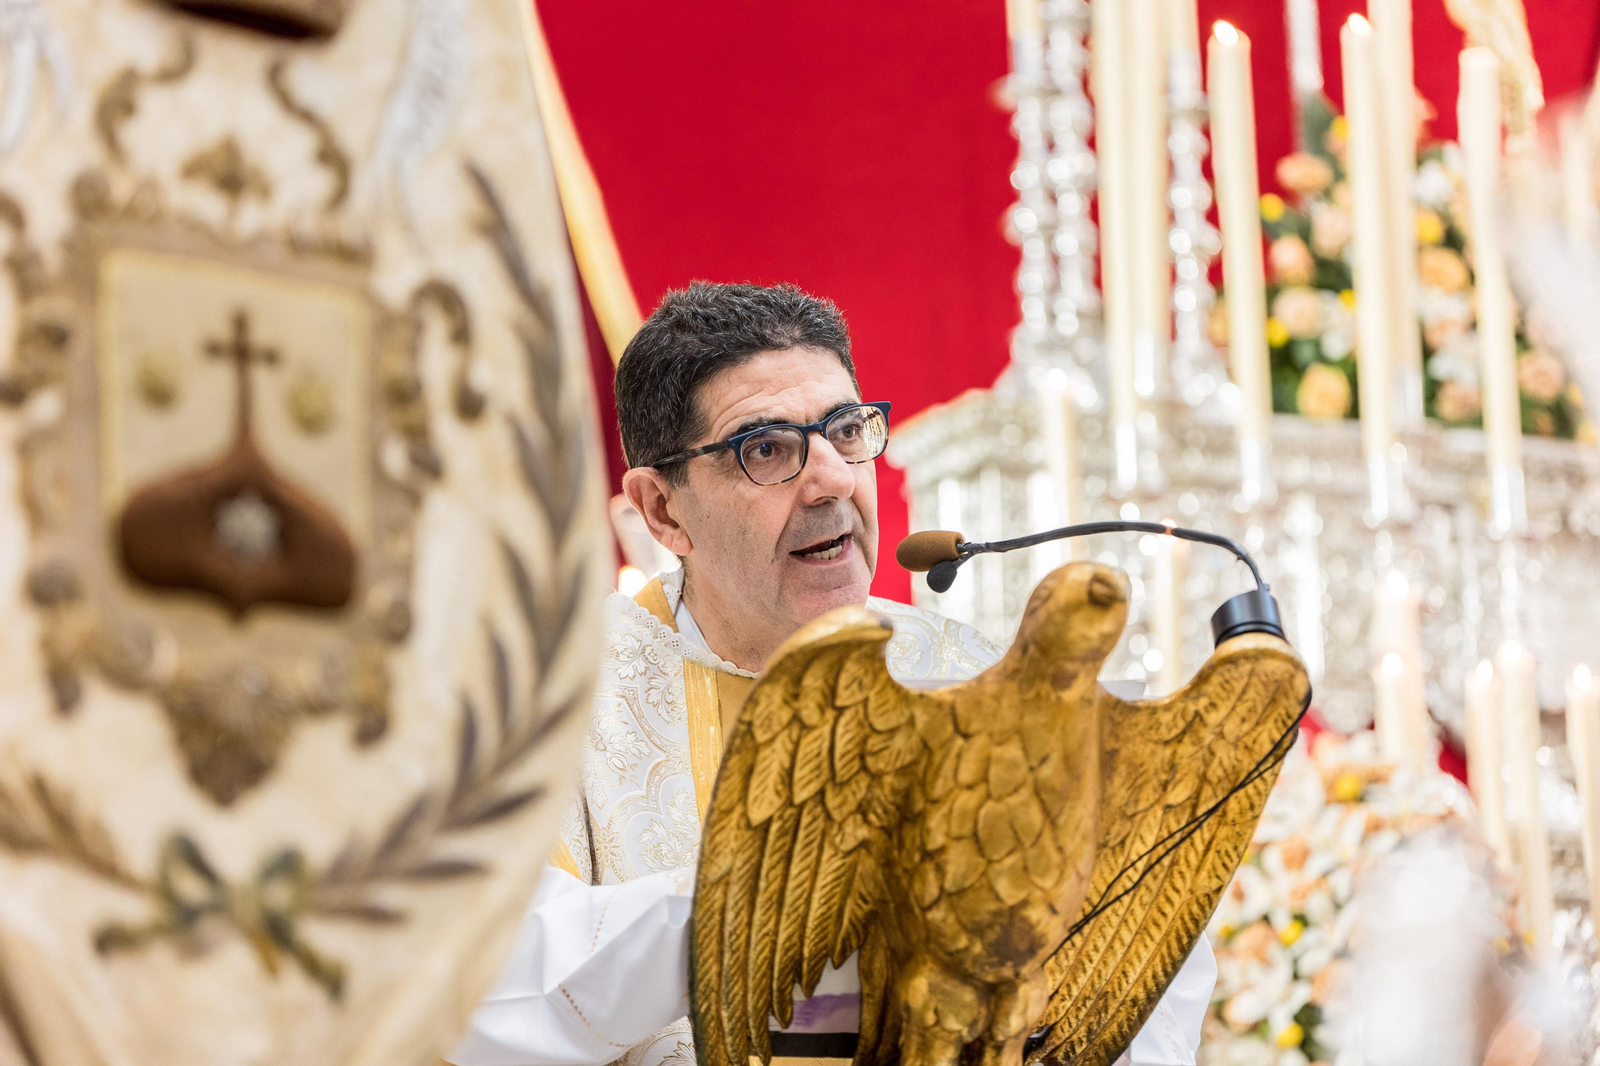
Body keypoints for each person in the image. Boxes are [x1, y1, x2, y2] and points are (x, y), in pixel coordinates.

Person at [451, 283, 1215, 1066]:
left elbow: (1153, 942)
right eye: (767, 449)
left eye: (846, 431)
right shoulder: (549, 705)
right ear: (662, 511)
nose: (833, 480)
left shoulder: (978, 678)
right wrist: (778, 891)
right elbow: (479, 981)